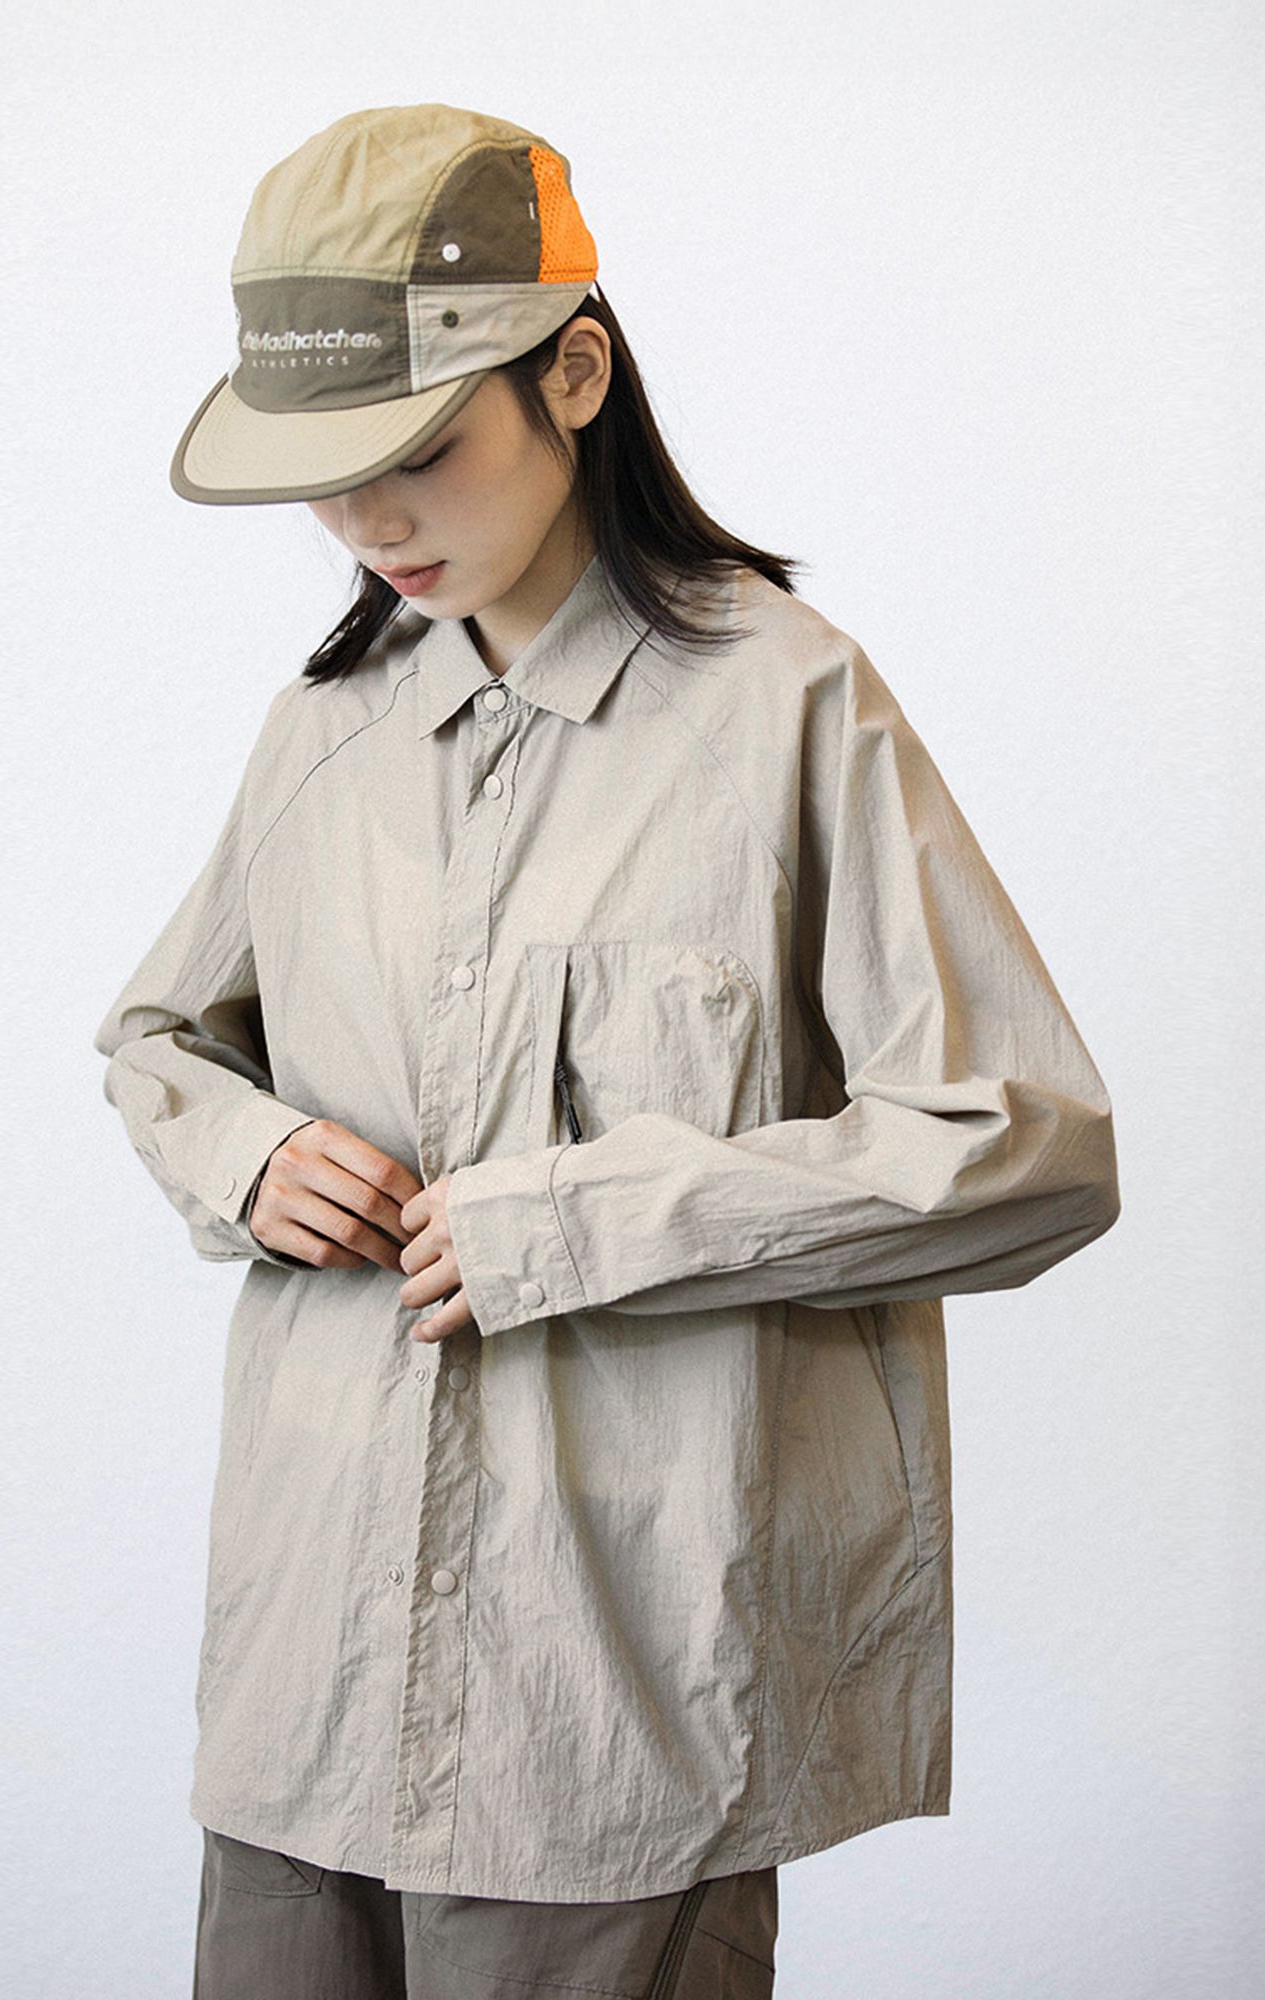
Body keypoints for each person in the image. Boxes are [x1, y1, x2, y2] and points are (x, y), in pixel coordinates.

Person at [92, 102, 1121, 2000]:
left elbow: (1026, 1145)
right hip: (307, 1672)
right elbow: (157, 1038)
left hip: (614, 1704)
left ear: (572, 375)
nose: (369, 523)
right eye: (326, 475)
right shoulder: (326, 731)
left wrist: (579, 1222)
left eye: (416, 452)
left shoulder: (785, 700)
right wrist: (246, 1154)